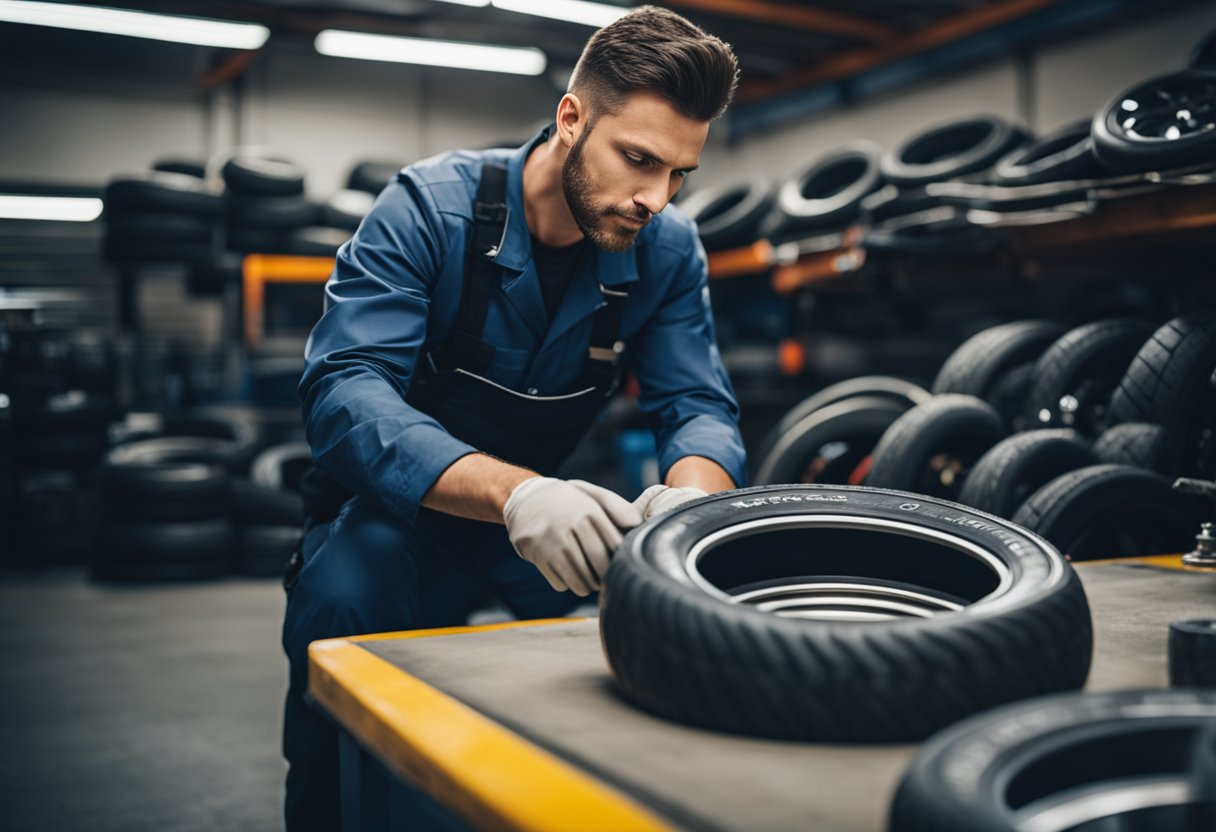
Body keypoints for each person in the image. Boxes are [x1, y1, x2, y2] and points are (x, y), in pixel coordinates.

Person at [281, 6, 746, 828]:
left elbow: (696, 401)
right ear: (572, 118)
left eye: (679, 174)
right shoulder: (428, 210)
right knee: (343, 608)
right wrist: (518, 496)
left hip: (547, 519)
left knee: (652, 631)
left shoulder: (667, 251)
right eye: (637, 159)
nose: (654, 198)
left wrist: (689, 498)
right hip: (400, 512)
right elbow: (345, 389)